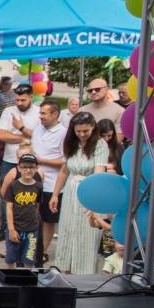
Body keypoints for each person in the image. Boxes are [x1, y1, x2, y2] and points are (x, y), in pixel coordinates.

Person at [50, 112, 111, 274]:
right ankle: (64, 269)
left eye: (86, 131)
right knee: (67, 229)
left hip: (90, 191)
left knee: (86, 233)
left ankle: (84, 273)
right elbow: (64, 170)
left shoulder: (100, 145)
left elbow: (98, 174)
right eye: (78, 131)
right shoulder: (71, 143)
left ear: (93, 128)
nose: (82, 134)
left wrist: (92, 201)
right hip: (71, 192)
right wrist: (55, 194)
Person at [31, 98, 67, 251]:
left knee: (47, 220)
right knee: (30, 217)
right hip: (32, 182)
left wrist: (42, 161)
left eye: (44, 113)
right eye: (40, 113)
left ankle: (42, 251)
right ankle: (28, 249)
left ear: (55, 114)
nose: (41, 116)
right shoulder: (38, 128)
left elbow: (66, 162)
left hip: (51, 185)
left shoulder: (64, 133)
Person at [4, 153, 42, 268]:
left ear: (36, 168)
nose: (28, 170)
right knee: (10, 259)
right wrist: (11, 229)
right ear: (19, 168)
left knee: (29, 260)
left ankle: (27, 279)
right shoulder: (13, 185)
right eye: (24, 167)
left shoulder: (39, 186)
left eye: (31, 167)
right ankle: (8, 280)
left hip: (32, 230)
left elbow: (37, 206)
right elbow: (9, 208)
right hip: (15, 228)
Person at [0, 83, 39, 181]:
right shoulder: (8, 111)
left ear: (31, 97)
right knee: (6, 189)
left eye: (23, 100)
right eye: (17, 100)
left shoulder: (39, 112)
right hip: (9, 160)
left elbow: (40, 137)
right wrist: (27, 138)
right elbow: (1, 135)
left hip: (31, 162)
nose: (19, 103)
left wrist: (21, 128)